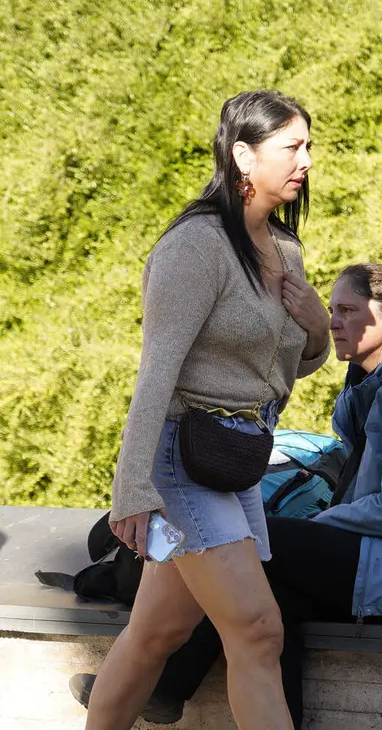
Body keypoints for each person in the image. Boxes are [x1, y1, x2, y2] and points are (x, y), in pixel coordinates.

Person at [72, 264, 382, 726]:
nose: (334, 322)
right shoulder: (379, 382)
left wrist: (315, 529)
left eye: (348, 310)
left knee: (255, 547)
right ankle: (165, 689)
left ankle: (158, 684)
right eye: (331, 310)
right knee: (268, 607)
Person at [83, 89, 331, 730]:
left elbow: (282, 371)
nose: (306, 160)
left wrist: (318, 331)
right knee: (258, 631)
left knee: (155, 633)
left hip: (236, 461)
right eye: (292, 147)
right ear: (244, 157)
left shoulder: (284, 249)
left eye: (307, 146)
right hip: (181, 462)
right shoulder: (195, 247)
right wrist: (130, 488)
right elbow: (156, 371)